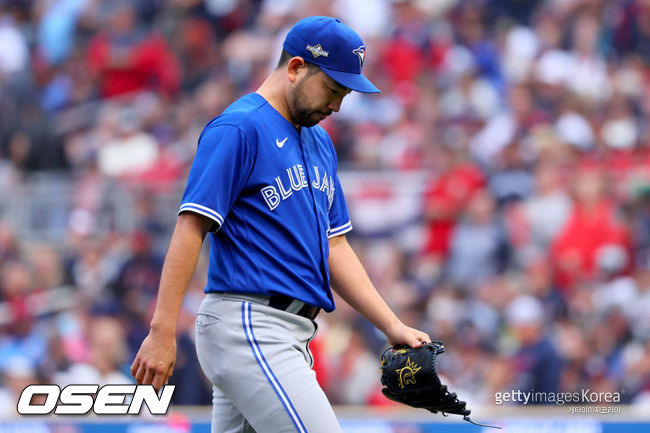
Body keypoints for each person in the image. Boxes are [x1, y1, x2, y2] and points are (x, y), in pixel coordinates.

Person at [130, 16, 430, 433]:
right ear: (295, 69)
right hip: (249, 325)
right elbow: (190, 227)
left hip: (290, 331)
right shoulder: (239, 127)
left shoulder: (319, 141)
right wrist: (162, 331)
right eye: (333, 88)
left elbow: (335, 246)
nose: (337, 105)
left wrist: (391, 324)